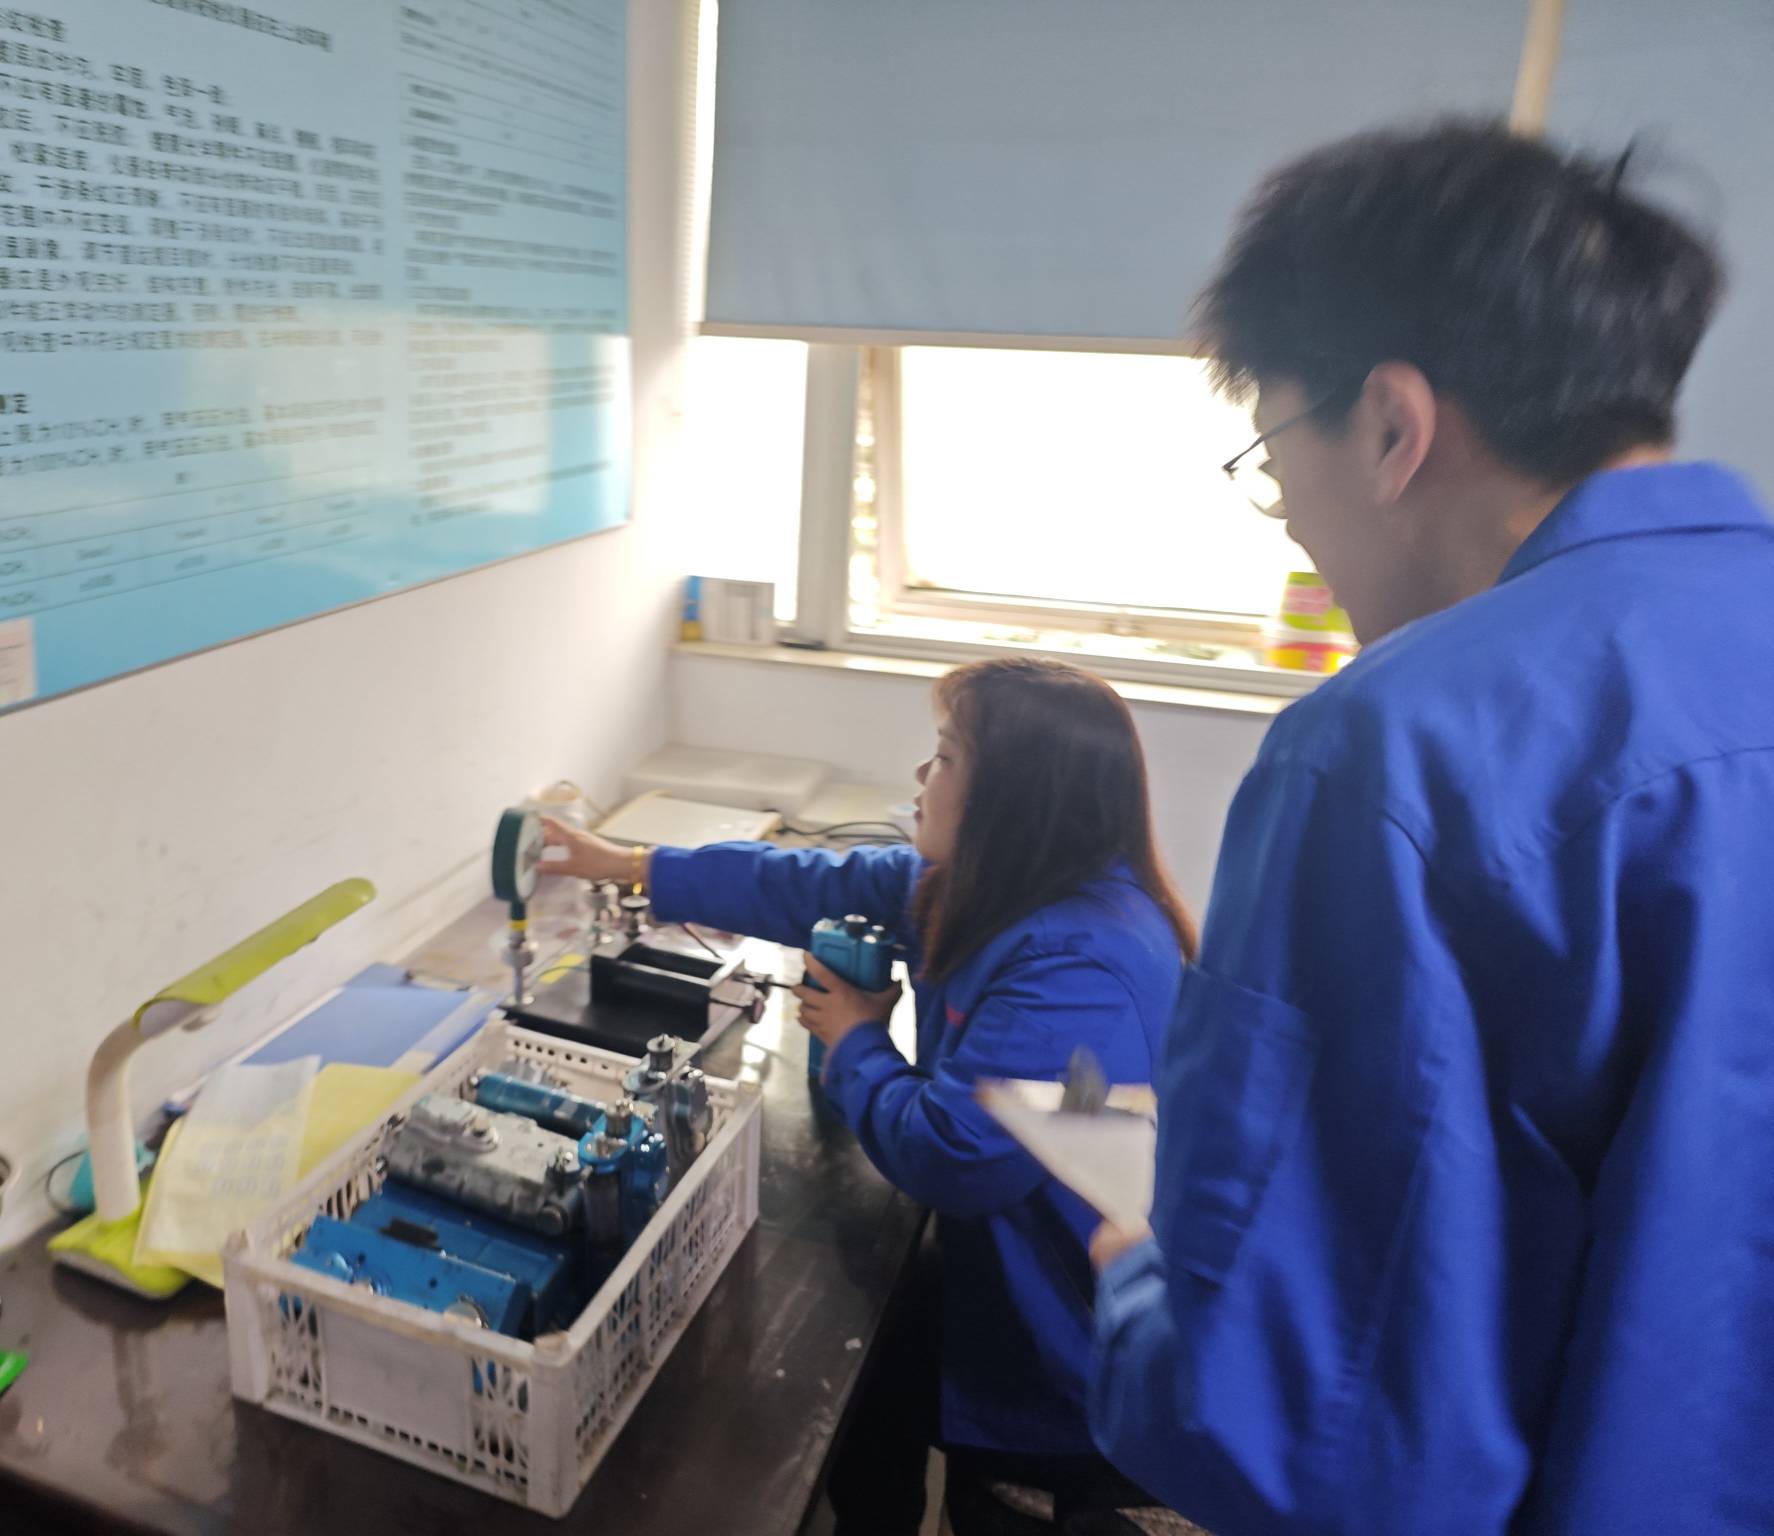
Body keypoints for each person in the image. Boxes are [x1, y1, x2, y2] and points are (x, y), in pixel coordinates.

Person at [1087, 119, 1774, 1535]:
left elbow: (1295, 1427)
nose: (1288, 521)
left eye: (1273, 452)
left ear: (1392, 425)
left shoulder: (1396, 751)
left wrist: (1139, 1272)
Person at [541, 657, 1195, 1533]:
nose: (922, 775)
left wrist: (855, 1040)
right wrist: (631, 865)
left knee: (883, 1402)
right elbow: (809, 882)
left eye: (946, 756)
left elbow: (951, 1156)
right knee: (873, 1384)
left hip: (1070, 1364)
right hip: (1005, 1275)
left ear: (1016, 797)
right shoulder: (992, 883)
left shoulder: (1081, 968)